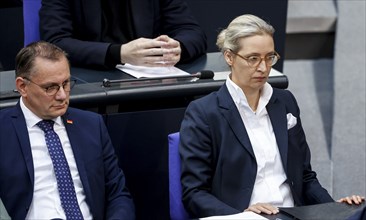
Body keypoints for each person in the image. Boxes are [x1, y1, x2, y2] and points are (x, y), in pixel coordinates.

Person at [179, 14, 365, 218]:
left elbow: (305, 177)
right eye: (253, 58)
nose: (263, 67)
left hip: (293, 213)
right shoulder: (204, 112)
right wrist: (243, 215)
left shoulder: (285, 101)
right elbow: (194, 193)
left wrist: (335, 211)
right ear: (229, 57)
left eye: (270, 57)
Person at [0, 41, 135, 219]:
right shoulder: (4, 131)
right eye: (51, 87)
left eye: (66, 83)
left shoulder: (91, 125)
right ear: (22, 86)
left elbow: (118, 194)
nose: (62, 95)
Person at [39, 0, 207, 69]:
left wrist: (177, 47)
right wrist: (118, 53)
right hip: (92, 81)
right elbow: (56, 42)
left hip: (150, 82)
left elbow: (192, 32)